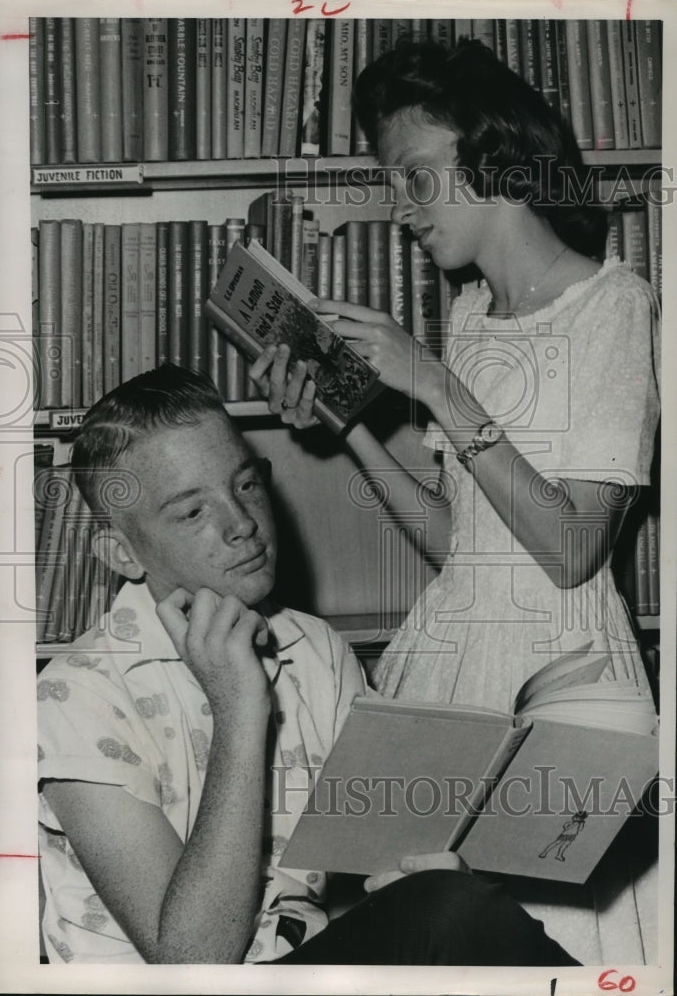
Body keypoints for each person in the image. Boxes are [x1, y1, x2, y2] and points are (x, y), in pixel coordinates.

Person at [249, 39, 661, 963]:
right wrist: (345, 420)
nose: (402, 211)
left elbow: (570, 549)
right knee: (425, 944)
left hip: (562, 686)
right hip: (451, 673)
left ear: (497, 160)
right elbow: (460, 542)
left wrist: (437, 387)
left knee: (542, 952)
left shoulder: (614, 306)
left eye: (416, 178)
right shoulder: (469, 318)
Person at [37, 363, 579, 966]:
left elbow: (352, 881)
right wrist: (241, 707)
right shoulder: (73, 697)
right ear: (123, 553)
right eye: (192, 512)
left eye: (246, 484)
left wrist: (416, 876)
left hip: (300, 974)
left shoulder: (314, 647)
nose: (241, 523)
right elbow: (192, 963)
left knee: (452, 902)